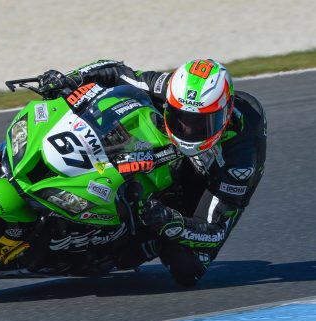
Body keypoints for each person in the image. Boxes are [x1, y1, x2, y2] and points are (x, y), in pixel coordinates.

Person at [38, 59, 267, 287]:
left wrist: (169, 220)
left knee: (187, 266)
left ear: (224, 116)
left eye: (200, 123)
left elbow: (214, 231)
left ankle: (137, 245)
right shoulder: (169, 88)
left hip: (210, 183)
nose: (187, 129)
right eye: (181, 118)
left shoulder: (242, 158)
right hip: (166, 152)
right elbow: (116, 71)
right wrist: (70, 78)